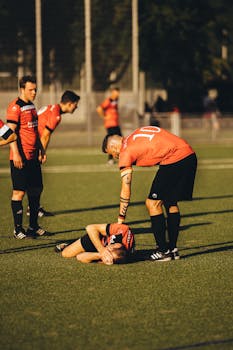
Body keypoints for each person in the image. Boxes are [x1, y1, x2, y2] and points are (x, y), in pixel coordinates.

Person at [102, 126, 197, 261]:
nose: (114, 156)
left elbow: (126, 186)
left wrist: (120, 219)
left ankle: (163, 251)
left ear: (113, 146)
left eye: (111, 153)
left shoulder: (125, 151)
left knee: (152, 203)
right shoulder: (136, 133)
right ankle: (173, 249)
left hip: (174, 159)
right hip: (189, 154)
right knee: (170, 202)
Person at [26, 90, 80, 217]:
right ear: (70, 103)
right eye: (76, 104)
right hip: (30, 145)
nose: (76, 107)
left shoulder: (51, 108)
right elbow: (45, 135)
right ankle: (32, 209)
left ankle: (34, 207)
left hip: (29, 143)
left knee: (35, 181)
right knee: (33, 181)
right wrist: (42, 152)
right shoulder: (56, 115)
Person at [6, 75, 47, 239]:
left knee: (36, 190)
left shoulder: (31, 106)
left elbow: (34, 131)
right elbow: (10, 133)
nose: (34, 92)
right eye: (31, 89)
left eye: (35, 89)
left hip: (33, 157)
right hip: (20, 157)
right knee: (19, 192)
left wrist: (41, 148)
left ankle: (33, 226)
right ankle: (17, 229)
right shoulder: (15, 107)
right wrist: (15, 153)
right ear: (22, 89)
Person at [55, 222, 135, 265]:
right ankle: (70, 244)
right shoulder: (123, 230)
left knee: (67, 254)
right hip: (97, 239)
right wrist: (101, 249)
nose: (106, 253)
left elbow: (80, 257)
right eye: (107, 251)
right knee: (66, 253)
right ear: (113, 246)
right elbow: (90, 228)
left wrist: (100, 255)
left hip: (101, 248)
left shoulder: (113, 257)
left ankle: (73, 244)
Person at [96, 87, 122, 165]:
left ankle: (119, 157)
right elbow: (99, 108)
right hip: (110, 124)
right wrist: (104, 117)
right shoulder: (109, 100)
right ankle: (110, 159)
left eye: (118, 92)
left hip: (115, 124)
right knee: (113, 142)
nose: (118, 94)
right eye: (116, 92)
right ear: (112, 93)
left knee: (120, 140)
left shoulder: (116, 100)